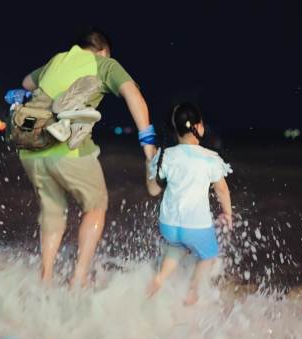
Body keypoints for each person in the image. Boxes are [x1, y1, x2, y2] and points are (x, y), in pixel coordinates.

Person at [18, 28, 157, 288]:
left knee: (53, 212)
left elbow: (26, 83)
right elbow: (133, 96)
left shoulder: (58, 58)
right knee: (95, 207)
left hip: (30, 149)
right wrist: (148, 146)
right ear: (103, 50)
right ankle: (78, 279)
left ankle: (45, 281)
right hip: (67, 150)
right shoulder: (104, 63)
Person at [146, 102, 233, 305]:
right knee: (209, 255)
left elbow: (154, 182)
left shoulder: (165, 155)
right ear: (199, 127)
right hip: (195, 226)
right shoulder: (210, 159)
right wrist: (227, 213)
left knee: (177, 247)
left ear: (175, 129)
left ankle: (160, 278)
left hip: (167, 225)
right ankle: (192, 292)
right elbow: (222, 190)